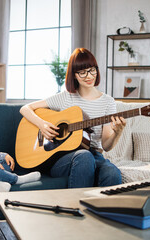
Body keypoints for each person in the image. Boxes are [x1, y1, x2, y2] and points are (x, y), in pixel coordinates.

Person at [20, 48, 126, 188]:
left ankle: (103, 210)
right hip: (63, 158)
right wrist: (42, 125)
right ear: (74, 75)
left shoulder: (108, 102)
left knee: (112, 173)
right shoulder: (65, 97)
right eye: (82, 72)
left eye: (92, 70)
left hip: (95, 155)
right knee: (84, 156)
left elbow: (106, 146)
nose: (89, 76)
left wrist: (117, 132)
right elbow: (25, 108)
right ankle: (76, 208)